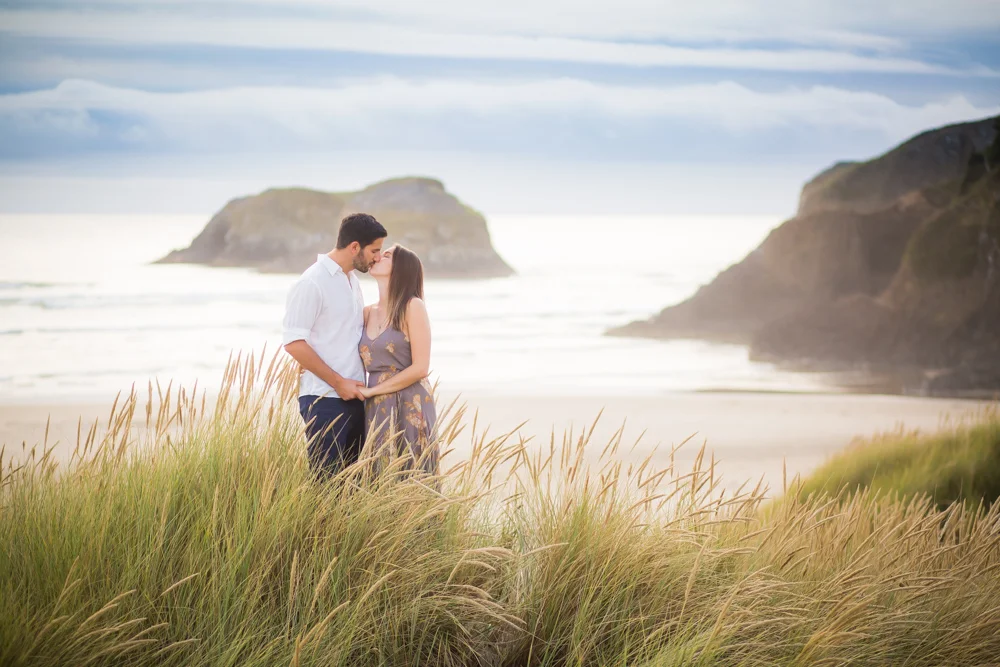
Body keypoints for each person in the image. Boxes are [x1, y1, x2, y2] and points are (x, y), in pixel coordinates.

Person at [282, 213, 387, 474]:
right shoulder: (312, 282)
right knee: (326, 489)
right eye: (374, 250)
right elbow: (293, 342)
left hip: (355, 397)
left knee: (350, 490)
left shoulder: (352, 281)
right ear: (354, 247)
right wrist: (338, 383)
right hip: (324, 398)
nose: (377, 257)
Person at [358, 244, 438, 476]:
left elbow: (421, 367)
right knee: (379, 474)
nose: (377, 257)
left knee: (413, 473)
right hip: (375, 405)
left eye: (387, 255)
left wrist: (373, 391)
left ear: (401, 268)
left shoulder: (412, 306)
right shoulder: (367, 312)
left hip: (410, 401)